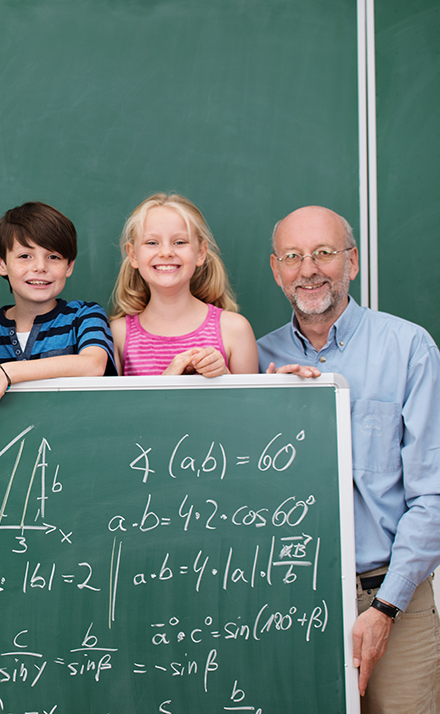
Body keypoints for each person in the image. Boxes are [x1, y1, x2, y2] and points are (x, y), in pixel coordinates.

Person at [257, 205, 440, 712]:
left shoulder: (409, 348)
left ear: (352, 262)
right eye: (293, 256)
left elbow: (434, 494)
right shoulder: (256, 361)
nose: (308, 269)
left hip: (391, 598)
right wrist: (261, 411)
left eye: (324, 253)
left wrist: (385, 607)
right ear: (276, 270)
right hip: (288, 600)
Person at [0, 202, 115, 406]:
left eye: (53, 257)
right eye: (25, 256)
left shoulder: (85, 316)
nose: (40, 267)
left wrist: (7, 372)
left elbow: (93, 365)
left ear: (69, 265)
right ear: (1, 262)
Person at [109, 193, 257, 376]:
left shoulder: (235, 329)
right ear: (132, 255)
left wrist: (224, 377)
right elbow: (115, 405)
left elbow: (247, 403)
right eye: (152, 242)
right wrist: (167, 382)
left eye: (179, 242)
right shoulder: (118, 334)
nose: (166, 252)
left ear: (201, 252)